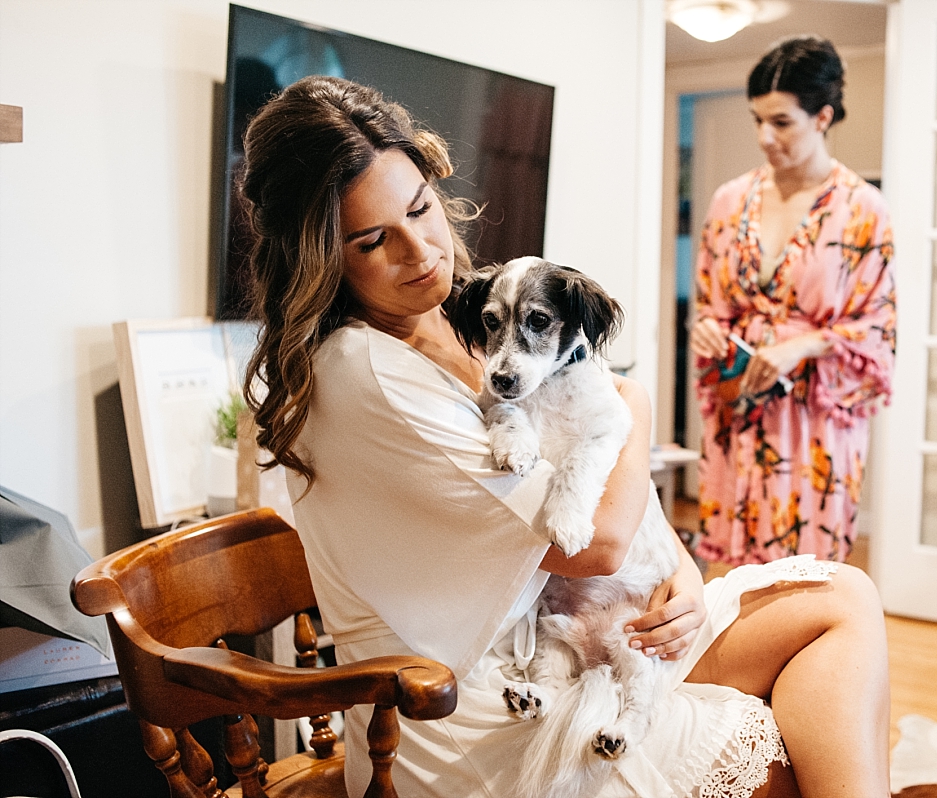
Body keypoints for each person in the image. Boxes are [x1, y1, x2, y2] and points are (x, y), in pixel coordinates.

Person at [240, 74, 890, 798]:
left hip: (582, 620)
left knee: (845, 600)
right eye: (372, 241)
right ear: (319, 258)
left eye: (421, 209)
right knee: (798, 757)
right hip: (476, 704)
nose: (421, 251)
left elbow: (598, 481)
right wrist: (634, 399)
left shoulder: (462, 314)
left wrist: (680, 570)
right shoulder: (367, 370)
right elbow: (594, 538)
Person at [691, 37, 896, 566]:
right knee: (736, 579)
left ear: (822, 117)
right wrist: (709, 329)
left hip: (816, 417)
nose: (764, 136)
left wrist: (800, 345)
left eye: (781, 122)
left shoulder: (863, 209)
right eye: (757, 120)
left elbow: (878, 326)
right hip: (741, 404)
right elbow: (710, 303)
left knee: (804, 578)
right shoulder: (730, 200)